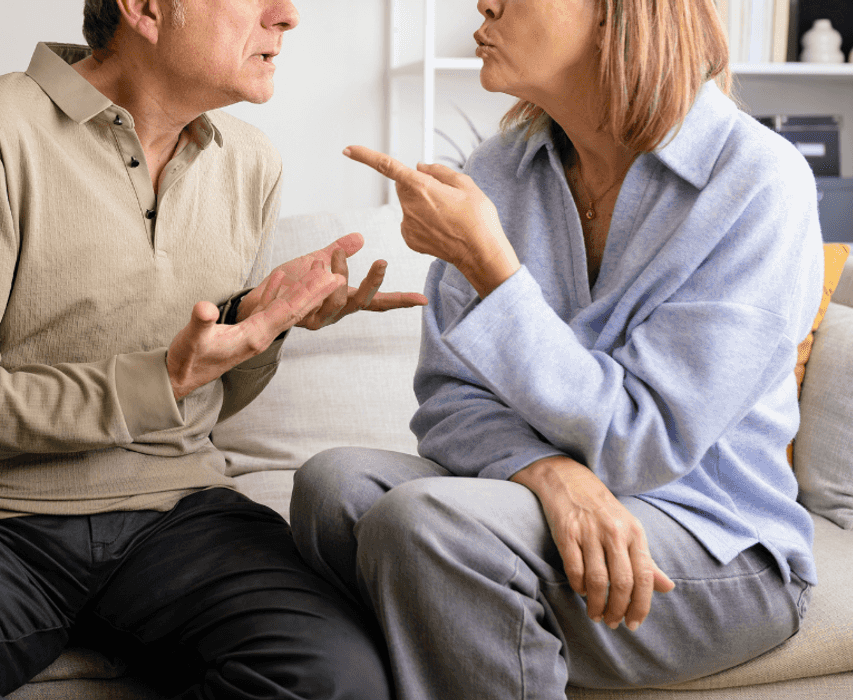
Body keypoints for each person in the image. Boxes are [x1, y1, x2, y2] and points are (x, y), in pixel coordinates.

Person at [0, 1, 426, 698]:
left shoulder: (250, 160)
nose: (287, 15)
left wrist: (258, 325)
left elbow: (203, 400)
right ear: (145, 9)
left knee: (338, 676)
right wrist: (160, 378)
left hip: (176, 511)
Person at [291, 0, 824, 696]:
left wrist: (492, 271)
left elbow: (645, 441)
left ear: (611, 15)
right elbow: (448, 399)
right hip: (542, 504)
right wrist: (546, 472)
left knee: (424, 525)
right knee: (333, 487)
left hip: (717, 540)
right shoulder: (500, 170)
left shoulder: (758, 180)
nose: (484, 4)